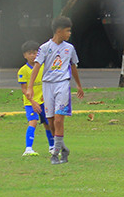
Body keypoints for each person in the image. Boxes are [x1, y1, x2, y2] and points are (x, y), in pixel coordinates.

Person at [25, 16, 84, 165]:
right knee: (50, 121)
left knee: (59, 119)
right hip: (47, 85)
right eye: (67, 31)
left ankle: (55, 155)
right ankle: (63, 148)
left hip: (62, 84)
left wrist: (78, 85)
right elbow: (36, 67)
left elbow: (73, 67)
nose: (70, 33)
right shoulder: (45, 48)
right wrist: (30, 87)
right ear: (59, 31)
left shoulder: (69, 48)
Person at [18, 40, 56, 157]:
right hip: (31, 103)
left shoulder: (44, 67)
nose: (33, 56)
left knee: (48, 124)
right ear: (24, 55)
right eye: (29, 53)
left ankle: (52, 147)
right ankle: (28, 148)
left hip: (44, 101)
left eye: (35, 53)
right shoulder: (23, 70)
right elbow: (24, 89)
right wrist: (33, 102)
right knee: (33, 122)